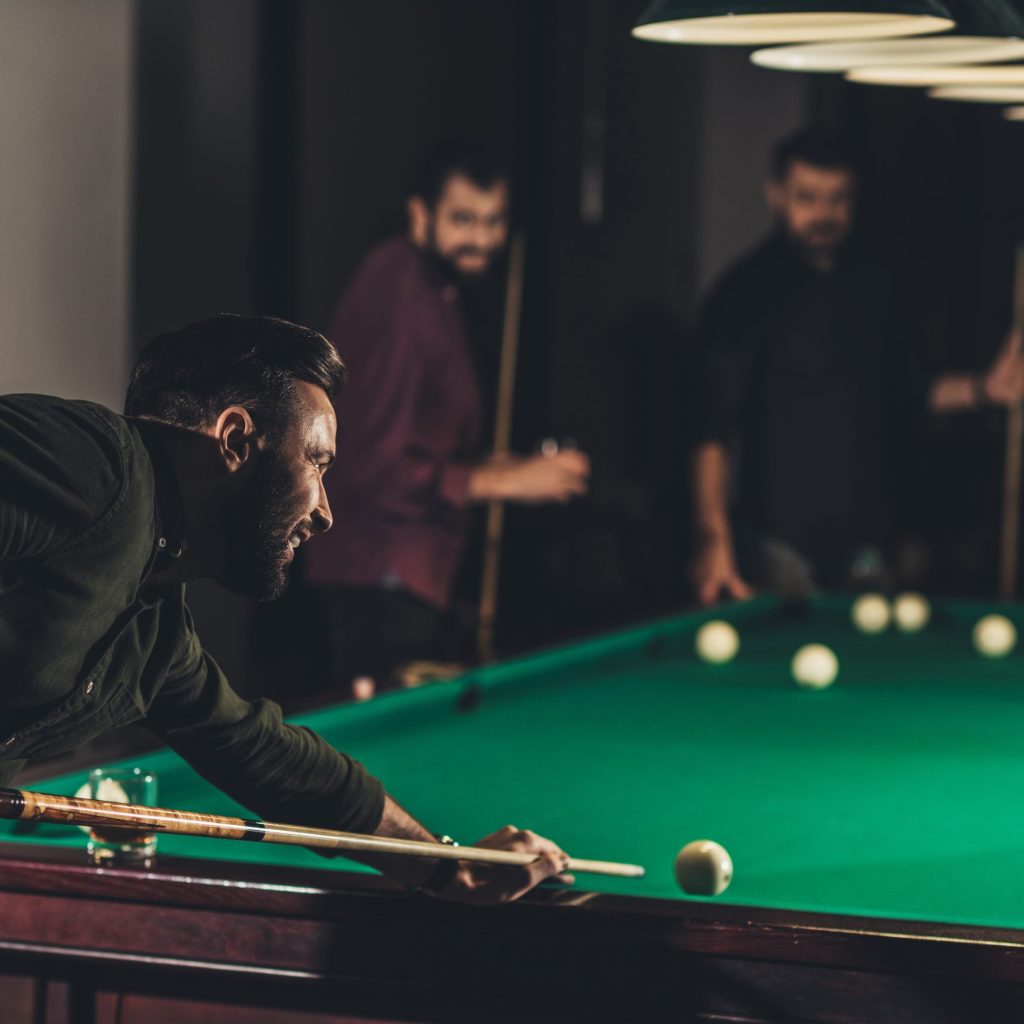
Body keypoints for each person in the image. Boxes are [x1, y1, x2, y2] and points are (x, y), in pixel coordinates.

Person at [0, 313, 571, 903]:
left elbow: (265, 757)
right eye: (317, 463)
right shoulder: (89, 464)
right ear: (236, 440)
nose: (324, 511)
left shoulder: (153, 635)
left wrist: (447, 866)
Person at [691, 127, 1024, 605]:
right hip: (781, 543)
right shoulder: (744, 295)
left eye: (838, 199)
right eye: (808, 198)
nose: (824, 214)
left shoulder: (876, 281)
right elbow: (711, 430)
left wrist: (983, 389)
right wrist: (712, 537)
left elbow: (916, 388)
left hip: (870, 542)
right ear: (776, 195)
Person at [305, 139, 590, 695]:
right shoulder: (401, 295)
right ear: (421, 215)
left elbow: (414, 436)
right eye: (464, 219)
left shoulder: (435, 289)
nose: (482, 239)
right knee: (373, 769)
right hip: (380, 574)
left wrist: (498, 465)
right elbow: (369, 466)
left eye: (494, 221)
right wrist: (502, 480)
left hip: (404, 574)